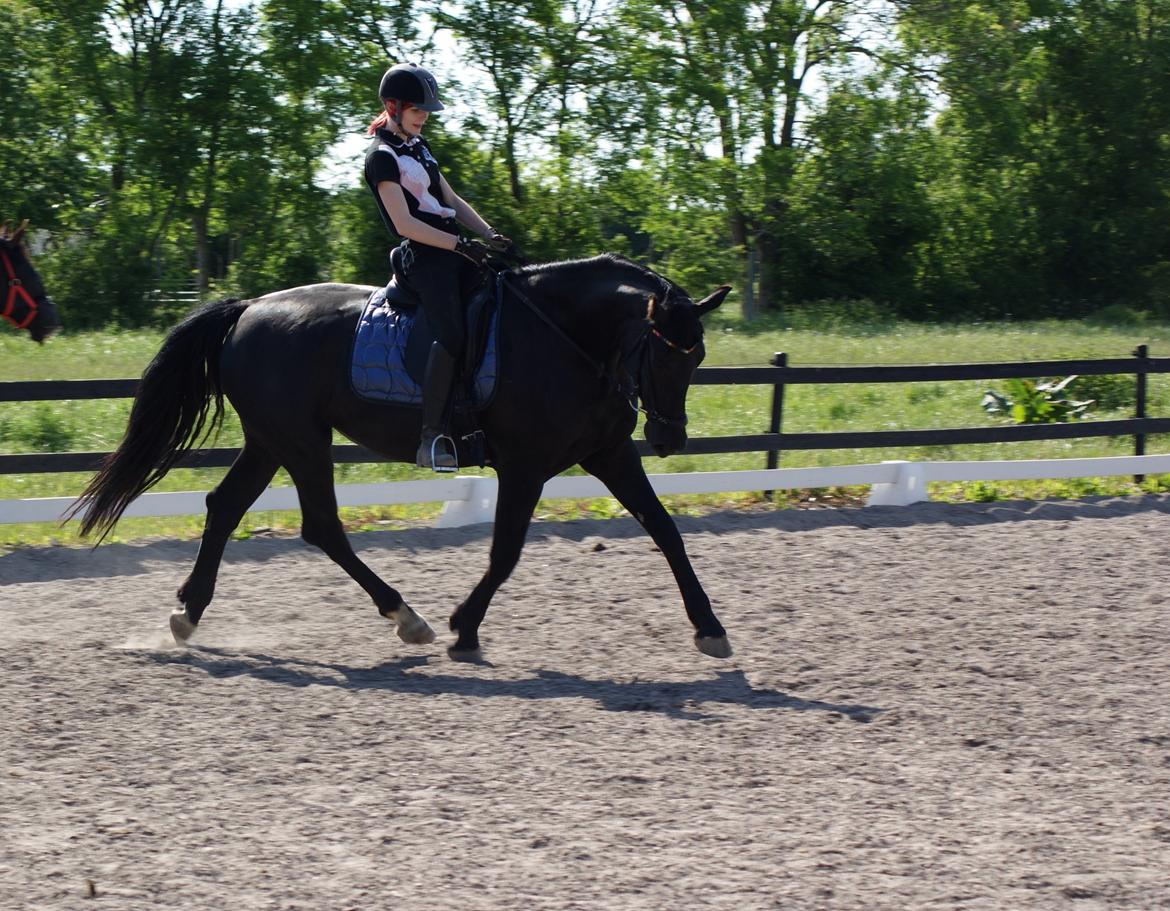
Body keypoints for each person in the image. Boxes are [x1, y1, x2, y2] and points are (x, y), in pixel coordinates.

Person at [363, 62, 512, 471]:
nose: (425, 116)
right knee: (451, 332)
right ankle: (431, 436)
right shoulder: (382, 158)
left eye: (426, 110)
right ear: (393, 107)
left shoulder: (420, 147)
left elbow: (450, 199)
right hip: (425, 257)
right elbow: (403, 223)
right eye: (418, 110)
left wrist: (486, 232)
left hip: (455, 249)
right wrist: (459, 245)